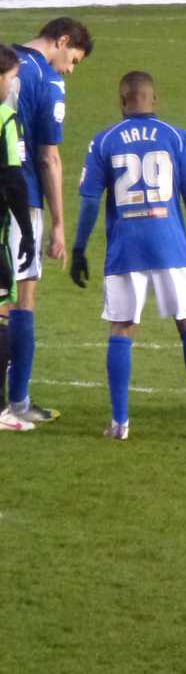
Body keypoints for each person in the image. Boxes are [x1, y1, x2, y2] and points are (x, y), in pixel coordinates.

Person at [68, 72, 186, 441]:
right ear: (154, 100)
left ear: (122, 101)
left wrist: (78, 248)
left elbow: (91, 201)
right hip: (170, 245)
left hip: (126, 249)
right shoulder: (176, 136)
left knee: (122, 328)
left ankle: (120, 424)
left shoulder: (103, 141)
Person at [4, 18, 93, 428]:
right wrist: (59, 224)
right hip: (19, 195)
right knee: (23, 300)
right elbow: (48, 157)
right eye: (72, 60)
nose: (69, 70)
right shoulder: (47, 79)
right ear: (62, 41)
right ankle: (17, 403)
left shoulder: (5, 60)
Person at [0, 47, 38, 432]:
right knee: (0, 318)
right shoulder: (5, 118)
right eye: (11, 77)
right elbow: (14, 177)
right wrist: (26, 232)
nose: (13, 85)